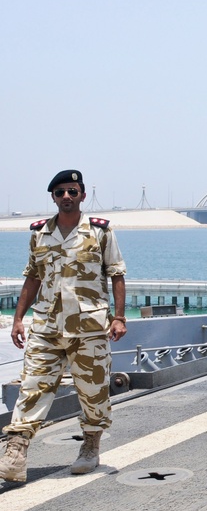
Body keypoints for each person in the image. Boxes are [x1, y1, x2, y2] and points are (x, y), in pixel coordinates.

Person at [1, 170, 127, 483]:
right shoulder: (39, 233)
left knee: (93, 391)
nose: (66, 197)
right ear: (54, 198)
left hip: (88, 327)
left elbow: (117, 274)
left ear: (82, 195)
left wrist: (120, 317)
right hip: (46, 326)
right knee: (33, 386)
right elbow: (33, 276)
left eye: (72, 191)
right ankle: (16, 451)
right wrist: (19, 318)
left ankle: (91, 445)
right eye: (60, 193)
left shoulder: (100, 232)